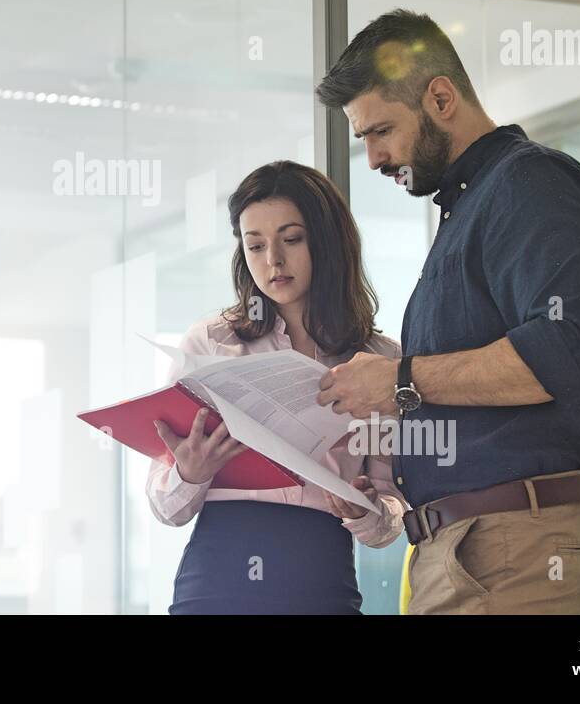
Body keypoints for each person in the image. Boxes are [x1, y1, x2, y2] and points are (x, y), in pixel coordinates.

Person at [315, 9, 580, 614]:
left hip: (507, 547)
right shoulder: (471, 207)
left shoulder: (530, 183)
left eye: (380, 131)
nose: (374, 158)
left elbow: (572, 348)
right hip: (470, 550)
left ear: (440, 97)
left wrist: (399, 379)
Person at [147, 160, 408, 615]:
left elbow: (391, 514)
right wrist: (190, 472)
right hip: (216, 579)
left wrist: (365, 509)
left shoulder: (379, 361)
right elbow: (166, 508)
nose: (273, 261)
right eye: (255, 245)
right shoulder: (209, 343)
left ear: (327, 241)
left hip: (321, 579)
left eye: (291, 239)